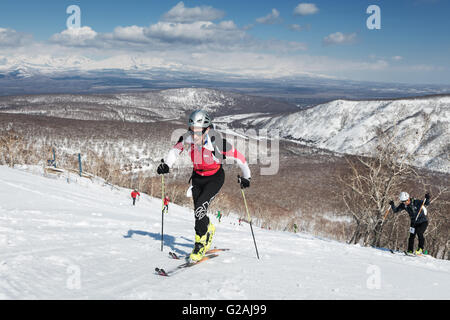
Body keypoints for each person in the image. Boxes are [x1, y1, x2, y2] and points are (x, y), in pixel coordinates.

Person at [157, 110, 251, 261]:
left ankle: (200, 244)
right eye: (192, 130)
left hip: (214, 178)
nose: (194, 134)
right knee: (198, 212)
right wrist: (166, 165)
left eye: (198, 131)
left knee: (200, 208)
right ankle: (208, 228)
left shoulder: (217, 142)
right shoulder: (188, 137)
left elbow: (240, 159)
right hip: (197, 178)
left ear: (207, 129)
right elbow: (175, 150)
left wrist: (247, 177)